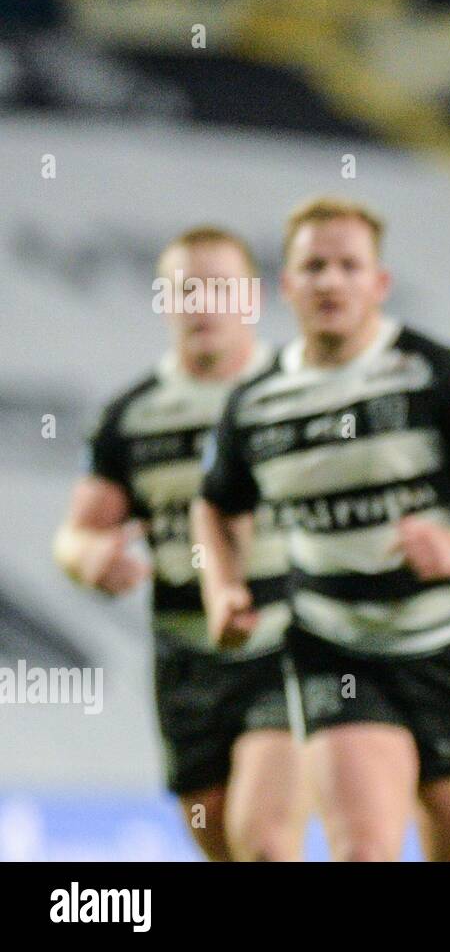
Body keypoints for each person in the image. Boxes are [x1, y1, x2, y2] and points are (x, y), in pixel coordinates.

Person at [193, 197, 450, 861]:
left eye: (348, 266)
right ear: (288, 285)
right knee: (362, 849)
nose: (331, 281)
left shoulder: (433, 371)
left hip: (448, 647)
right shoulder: (255, 403)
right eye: (314, 266)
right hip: (336, 647)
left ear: (378, 283)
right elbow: (214, 504)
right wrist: (222, 587)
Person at [54, 227, 304, 861]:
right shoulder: (132, 416)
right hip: (185, 659)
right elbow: (78, 531)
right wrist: (90, 558)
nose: (202, 304)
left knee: (268, 844)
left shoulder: (300, 394)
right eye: (185, 289)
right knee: (222, 844)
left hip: (289, 646)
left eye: (220, 288)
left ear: (252, 299)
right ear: (164, 302)